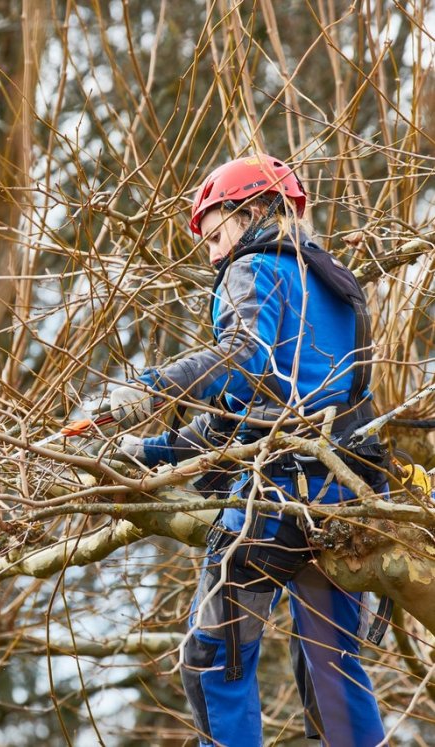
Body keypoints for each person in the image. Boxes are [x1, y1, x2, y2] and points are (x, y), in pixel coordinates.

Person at [108, 155, 387, 746]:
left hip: (279, 494)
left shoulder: (255, 266)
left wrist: (152, 388)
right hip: (348, 493)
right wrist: (149, 452)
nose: (212, 253)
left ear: (254, 211)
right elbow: (249, 419)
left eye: (215, 233)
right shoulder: (333, 281)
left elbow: (242, 356)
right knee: (332, 666)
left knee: (214, 656)